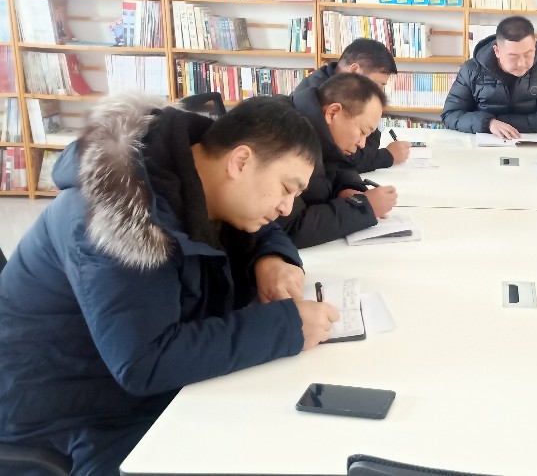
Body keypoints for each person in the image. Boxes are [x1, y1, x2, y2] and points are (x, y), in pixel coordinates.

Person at [0, 94, 341, 475]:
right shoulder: (117, 219)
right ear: (241, 161)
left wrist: (272, 259)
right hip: (68, 421)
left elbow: (264, 230)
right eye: (286, 188)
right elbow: (145, 361)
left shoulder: (198, 176)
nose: (286, 207)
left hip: (130, 393)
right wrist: (288, 326)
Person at [277, 72, 398, 248]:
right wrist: (364, 207)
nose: (362, 144)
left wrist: (348, 188)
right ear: (333, 113)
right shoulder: (284, 137)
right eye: (362, 132)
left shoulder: (316, 124)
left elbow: (337, 162)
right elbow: (289, 228)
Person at [291, 38, 410, 172]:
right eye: (377, 85)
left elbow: (371, 139)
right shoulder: (315, 101)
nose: (379, 93)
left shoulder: (336, 83)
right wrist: (387, 156)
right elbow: (343, 161)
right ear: (354, 71)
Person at [442, 15, 537, 137]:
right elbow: (450, 115)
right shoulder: (471, 69)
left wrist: (500, 123)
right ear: (497, 51)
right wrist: (489, 124)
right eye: (513, 57)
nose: (522, 63)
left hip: (529, 142)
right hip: (484, 140)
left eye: (528, 54)